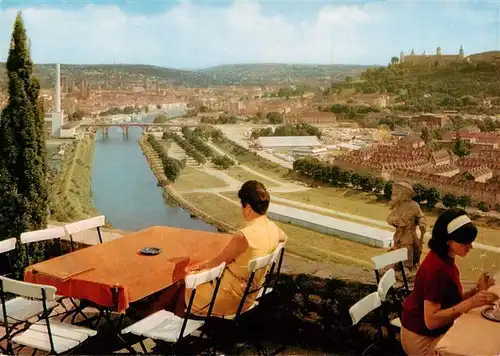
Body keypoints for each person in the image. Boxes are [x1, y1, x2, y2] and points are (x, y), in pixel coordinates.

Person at [401, 208, 498, 356]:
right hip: (422, 340)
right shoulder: (435, 269)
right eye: (465, 243)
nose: (470, 247)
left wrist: (476, 291)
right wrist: (471, 302)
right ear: (449, 241)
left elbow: (450, 301)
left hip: (429, 331)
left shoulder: (446, 259)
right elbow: (431, 321)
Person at [183, 180, 287, 317]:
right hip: (249, 295)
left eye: (242, 206)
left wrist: (199, 266)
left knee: (188, 284)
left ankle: (185, 320)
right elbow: (283, 239)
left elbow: (218, 262)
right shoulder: (273, 228)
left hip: (229, 298)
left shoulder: (244, 236)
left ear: (248, 208)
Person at [387, 182, 427, 270]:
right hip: (398, 235)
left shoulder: (414, 206)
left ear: (404, 196)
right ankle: (399, 266)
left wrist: (422, 223)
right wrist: (393, 221)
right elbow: (389, 218)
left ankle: (408, 267)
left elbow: (421, 216)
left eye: (395, 194)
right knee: (397, 252)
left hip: (410, 235)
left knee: (408, 250)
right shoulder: (397, 206)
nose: (393, 196)